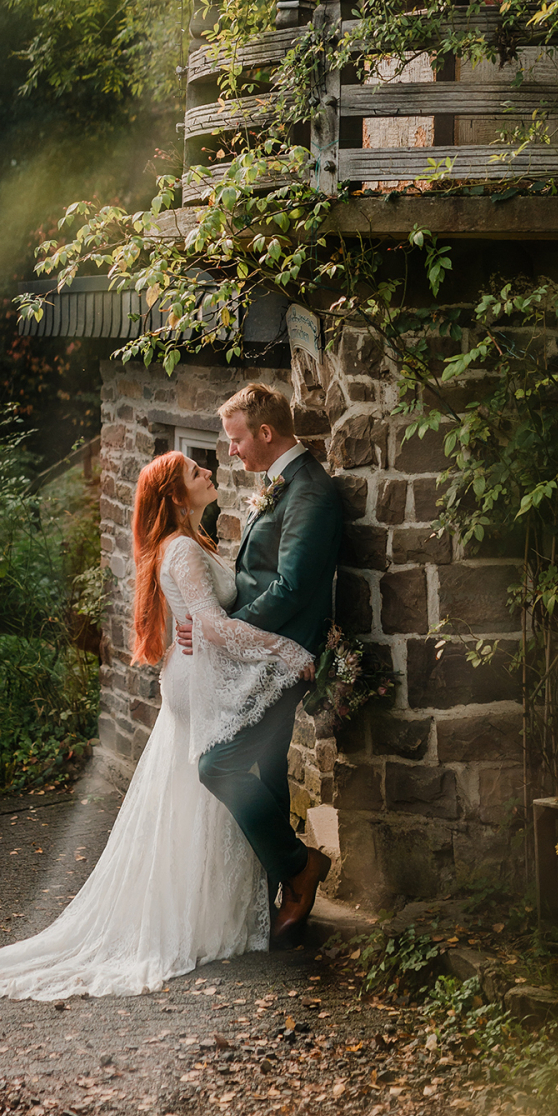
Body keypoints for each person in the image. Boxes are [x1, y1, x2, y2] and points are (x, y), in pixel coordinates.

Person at [0, 449, 314, 1001]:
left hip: (195, 675)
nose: (208, 473)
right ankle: (241, 898)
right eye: (195, 473)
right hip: (196, 685)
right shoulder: (182, 551)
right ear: (176, 497)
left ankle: (248, 892)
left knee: (203, 793)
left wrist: (197, 629)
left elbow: (201, 619)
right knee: (214, 784)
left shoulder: (190, 544)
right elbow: (215, 626)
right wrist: (286, 650)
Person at [179, 383, 342, 944]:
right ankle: (274, 893)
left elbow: (293, 587)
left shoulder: (311, 493)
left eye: (236, 440)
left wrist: (230, 635)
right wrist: (211, 623)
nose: (231, 452)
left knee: (217, 766)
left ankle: (300, 869)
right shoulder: (279, 485)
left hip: (281, 659)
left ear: (266, 434)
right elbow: (257, 574)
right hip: (257, 652)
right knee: (268, 772)